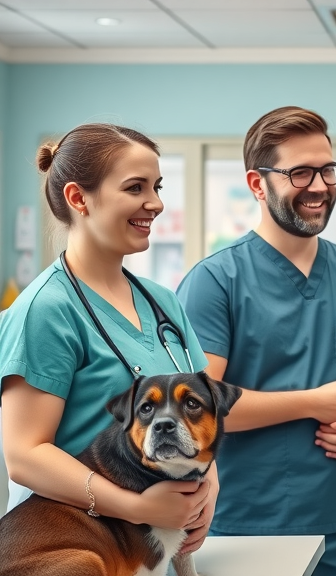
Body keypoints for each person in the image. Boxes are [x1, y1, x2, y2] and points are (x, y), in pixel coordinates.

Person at [176, 106, 336, 576]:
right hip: (251, 522)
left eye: (328, 170)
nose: (321, 186)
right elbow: (195, 408)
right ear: (257, 183)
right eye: (301, 172)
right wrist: (311, 403)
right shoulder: (217, 280)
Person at [0, 124, 212, 552]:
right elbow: (25, 455)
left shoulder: (163, 302)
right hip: (66, 547)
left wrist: (206, 488)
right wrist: (137, 508)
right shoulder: (45, 310)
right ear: (78, 199)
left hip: (150, 551)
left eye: (157, 186)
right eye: (135, 188)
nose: (155, 203)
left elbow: (203, 411)